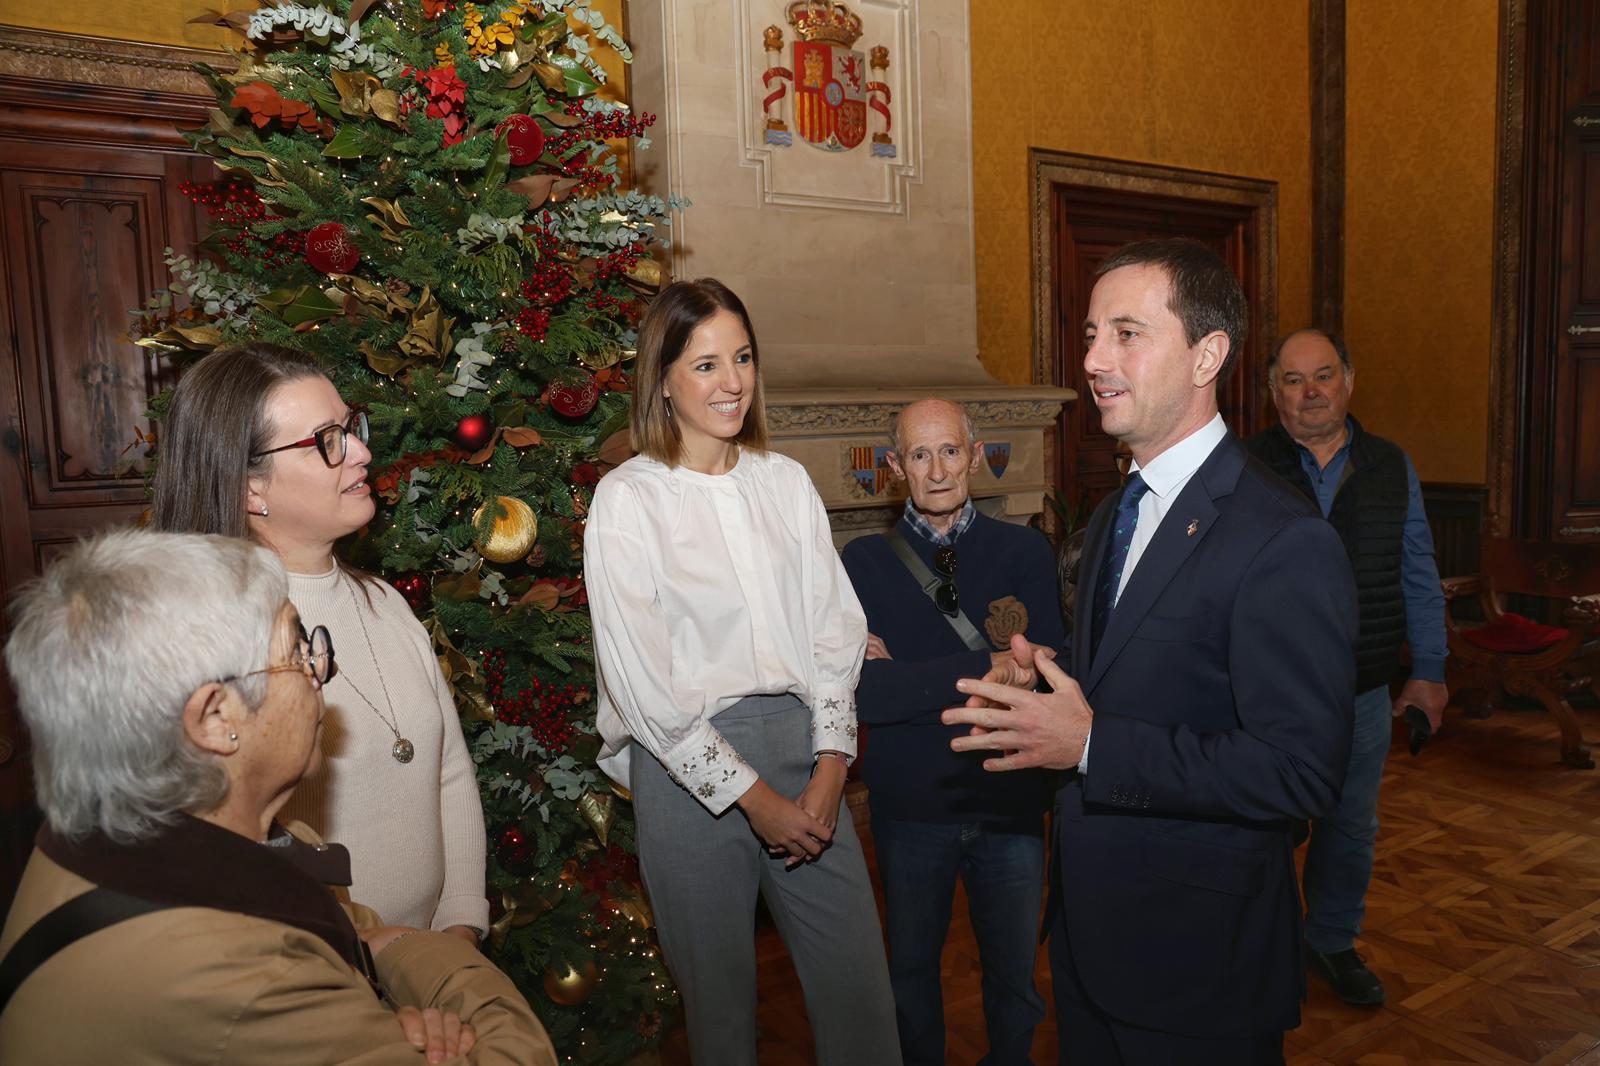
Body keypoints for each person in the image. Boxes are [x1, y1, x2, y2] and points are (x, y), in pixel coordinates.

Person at [944, 239, 1358, 1064]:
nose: (1093, 359)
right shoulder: (1117, 511)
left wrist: (1089, 743)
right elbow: (1142, 674)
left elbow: (1301, 771)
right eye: (1091, 333)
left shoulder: (1284, 538)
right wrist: (1047, 677)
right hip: (1094, 944)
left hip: (1198, 961)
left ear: (1208, 355)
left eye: (1126, 334)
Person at [0, 529, 554, 1065]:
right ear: (217, 717)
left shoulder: (113, 840)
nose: (322, 670)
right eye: (295, 649)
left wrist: (373, 984)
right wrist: (432, 967)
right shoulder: (241, 978)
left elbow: (354, 931)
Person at [583, 278, 900, 1066]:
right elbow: (643, 688)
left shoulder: (783, 482)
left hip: (806, 749)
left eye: (744, 358)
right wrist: (754, 801)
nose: (732, 383)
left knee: (863, 1004)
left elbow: (834, 633)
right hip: (684, 772)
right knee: (722, 1023)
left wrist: (830, 770)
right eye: (705, 365)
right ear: (662, 378)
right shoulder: (629, 502)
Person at [151, 344, 487, 942]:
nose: (361, 451)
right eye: (327, 439)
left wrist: (458, 930)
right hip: (318, 977)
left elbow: (448, 774)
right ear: (249, 485)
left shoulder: (386, 604)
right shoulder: (207, 642)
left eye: (350, 427)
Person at [840, 397, 1060, 1066]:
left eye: (949, 450)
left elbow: (1045, 671)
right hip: (911, 808)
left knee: (1014, 982)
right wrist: (990, 666)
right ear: (895, 467)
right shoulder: (864, 563)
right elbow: (867, 695)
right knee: (909, 978)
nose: (937, 469)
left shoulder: (1023, 550)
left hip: (1009, 801)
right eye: (918, 454)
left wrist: (914, 675)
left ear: (974, 454)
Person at [1245, 328, 1449, 1006]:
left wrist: (1430, 668)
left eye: (1324, 376)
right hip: (1267, 691)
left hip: (1363, 689)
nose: (1311, 393)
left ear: (1349, 381)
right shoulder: (1243, 466)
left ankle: (1330, 939)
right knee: (1263, 821)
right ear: (1275, 393)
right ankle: (1259, 942)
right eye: (1295, 380)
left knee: (1350, 826)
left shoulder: (1392, 466)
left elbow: (1418, 571)